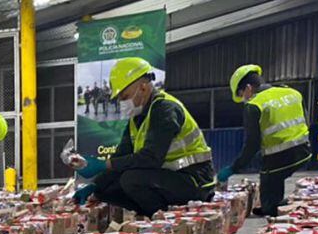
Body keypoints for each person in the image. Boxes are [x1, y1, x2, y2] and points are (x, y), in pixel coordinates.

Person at [73, 57, 216, 216]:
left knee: (131, 179)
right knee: (106, 190)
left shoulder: (165, 110)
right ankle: (144, 215)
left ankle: (160, 220)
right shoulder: (137, 117)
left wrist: (104, 164)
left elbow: (151, 158)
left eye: (125, 97)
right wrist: (95, 186)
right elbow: (123, 154)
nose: (122, 103)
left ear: (143, 87)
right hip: (169, 177)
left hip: (195, 180)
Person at [217, 64, 312, 217]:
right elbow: (307, 123)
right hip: (305, 152)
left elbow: (252, 145)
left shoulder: (254, 105)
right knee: (273, 178)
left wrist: (233, 168)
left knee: (269, 193)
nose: (243, 99)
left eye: (242, 94)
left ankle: (284, 207)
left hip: (278, 161)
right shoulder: (292, 92)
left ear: (248, 88)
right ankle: (277, 202)